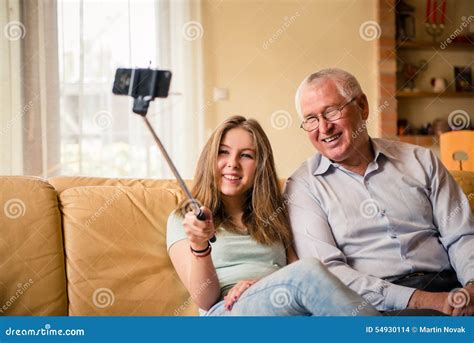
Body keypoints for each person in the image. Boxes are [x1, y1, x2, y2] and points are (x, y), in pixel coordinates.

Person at [286, 68, 474, 315]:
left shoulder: (421, 160)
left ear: (362, 106)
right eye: (311, 119)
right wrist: (423, 301)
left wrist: (471, 288)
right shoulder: (303, 186)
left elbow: (461, 235)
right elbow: (328, 273)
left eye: (331, 111)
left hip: (452, 285)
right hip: (381, 306)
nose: (324, 127)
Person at [166, 115, 379, 316]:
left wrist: (262, 284)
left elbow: (294, 273)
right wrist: (200, 245)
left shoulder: (274, 215)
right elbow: (204, 300)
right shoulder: (185, 220)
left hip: (283, 308)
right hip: (226, 311)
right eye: (223, 152)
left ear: (260, 167)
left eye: (246, 155)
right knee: (309, 270)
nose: (233, 163)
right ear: (209, 159)